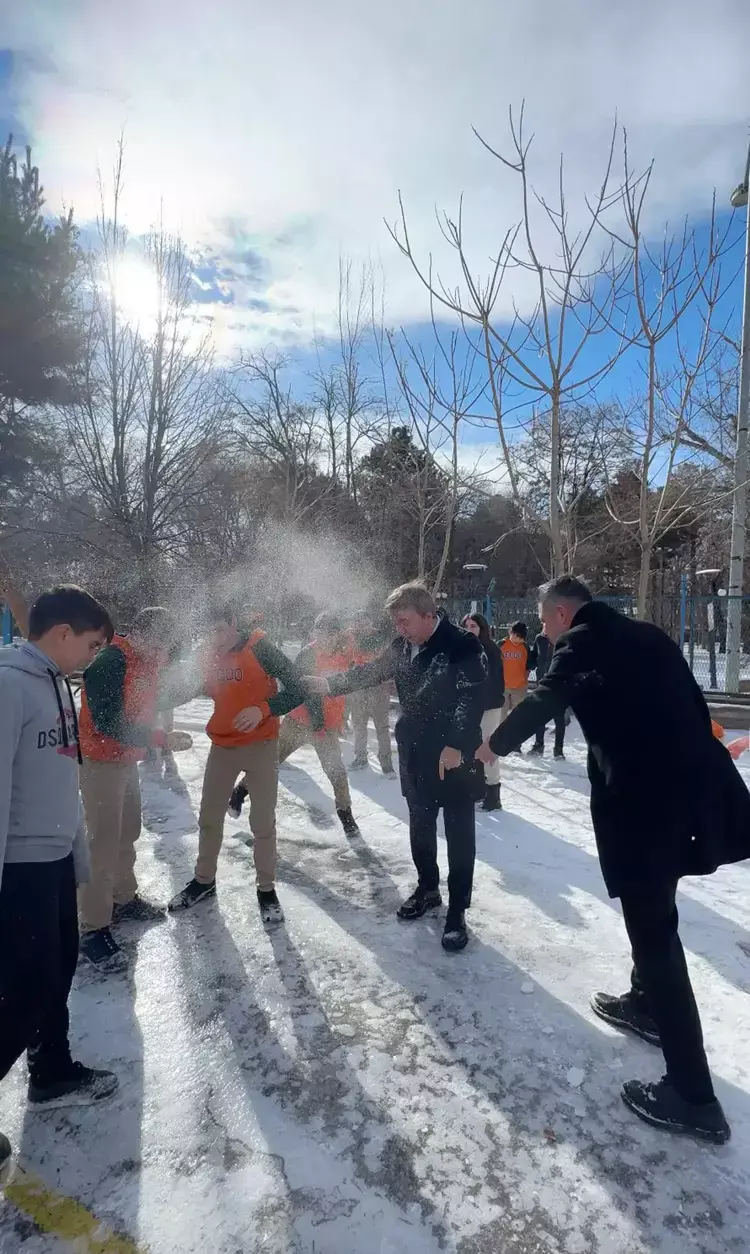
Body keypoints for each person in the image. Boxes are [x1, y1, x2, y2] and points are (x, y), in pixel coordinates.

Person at [477, 575, 750, 1144]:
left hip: (646, 809)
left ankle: (693, 1095)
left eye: (546, 621)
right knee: (657, 909)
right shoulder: (650, 636)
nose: (548, 632)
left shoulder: (580, 642)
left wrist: (493, 745)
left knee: (655, 935)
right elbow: (694, 710)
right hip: (692, 800)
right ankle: (645, 1003)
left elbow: (545, 698)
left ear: (556, 614)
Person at [0, 585, 119, 1146]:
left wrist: (77, 854)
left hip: (52, 862)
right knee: (26, 987)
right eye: (92, 645)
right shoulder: (8, 684)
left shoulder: (57, 685)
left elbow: (61, 777)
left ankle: (51, 1070)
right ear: (62, 634)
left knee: (60, 970)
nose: (93, 657)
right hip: (16, 868)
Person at [308, 583, 486, 952]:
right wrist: (329, 684)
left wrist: (456, 744)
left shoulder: (461, 644)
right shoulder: (401, 646)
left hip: (454, 758)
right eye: (396, 623)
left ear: (428, 614)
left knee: (459, 837)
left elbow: (474, 698)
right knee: (420, 828)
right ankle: (427, 888)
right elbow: (370, 672)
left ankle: (458, 909)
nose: (400, 629)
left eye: (405, 621)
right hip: (416, 753)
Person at [167, 604, 310, 921]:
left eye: (219, 630)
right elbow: (188, 687)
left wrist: (264, 708)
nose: (214, 639)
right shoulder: (207, 654)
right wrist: (152, 699)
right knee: (209, 817)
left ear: (232, 622)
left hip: (261, 745)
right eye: (208, 633)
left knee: (262, 822)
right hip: (222, 745)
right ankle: (203, 881)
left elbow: (299, 687)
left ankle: (266, 889)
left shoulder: (260, 647)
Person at [76, 607, 188, 974]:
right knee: (103, 842)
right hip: (101, 760)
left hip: (126, 759)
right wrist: (160, 738)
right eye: (162, 642)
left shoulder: (144, 659)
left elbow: (150, 701)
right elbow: (108, 722)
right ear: (142, 633)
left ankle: (123, 898)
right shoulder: (110, 661)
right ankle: (92, 928)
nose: (164, 651)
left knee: (128, 832)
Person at [232, 612, 362, 837]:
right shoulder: (307, 655)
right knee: (270, 763)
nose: (324, 638)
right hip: (299, 722)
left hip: (327, 727)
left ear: (336, 635)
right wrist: (319, 727)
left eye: (329, 634)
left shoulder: (344, 652)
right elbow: (306, 693)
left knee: (337, 773)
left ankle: (345, 814)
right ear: (314, 633)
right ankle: (240, 791)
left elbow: (352, 675)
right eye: (319, 632)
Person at [462, 613, 504, 811]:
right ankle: (479, 790)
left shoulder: (490, 649)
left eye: (474, 626)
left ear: (482, 628)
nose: (470, 630)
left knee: (488, 748)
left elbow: (494, 682)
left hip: (489, 707)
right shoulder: (464, 650)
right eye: (467, 626)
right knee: (472, 750)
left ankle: (494, 794)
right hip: (471, 708)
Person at [348, 609, 395, 777]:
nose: (361, 625)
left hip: (378, 687)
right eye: (358, 622)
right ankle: (360, 757)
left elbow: (386, 659)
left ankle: (386, 763)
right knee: (358, 724)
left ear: (370, 621)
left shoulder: (380, 636)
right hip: (358, 688)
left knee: (382, 726)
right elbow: (347, 659)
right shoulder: (350, 638)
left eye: (364, 622)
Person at [528, 623, 567, 760]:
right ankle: (539, 745)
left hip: (559, 684)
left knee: (559, 719)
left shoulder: (564, 639)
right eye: (544, 625)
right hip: (542, 682)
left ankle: (558, 750)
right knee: (539, 716)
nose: (547, 627)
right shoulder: (540, 639)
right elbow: (533, 658)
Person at [499, 621, 535, 719]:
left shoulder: (525, 647)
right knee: (501, 714)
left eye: (519, 637)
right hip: (503, 686)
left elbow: (528, 664)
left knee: (518, 714)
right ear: (510, 633)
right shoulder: (502, 644)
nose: (516, 638)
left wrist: (526, 675)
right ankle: (502, 732)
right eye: (514, 635)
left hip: (519, 686)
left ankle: (515, 733)